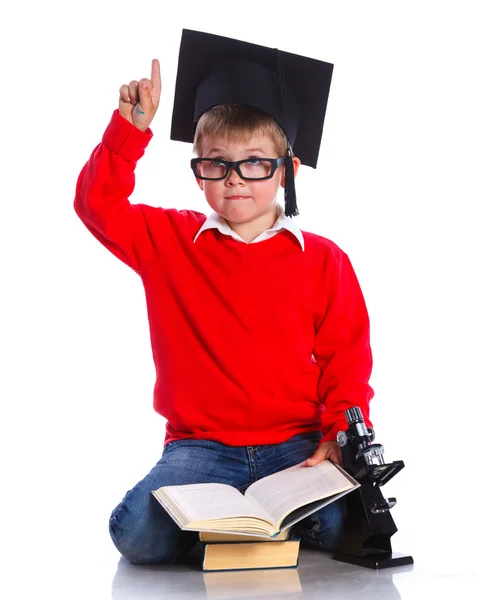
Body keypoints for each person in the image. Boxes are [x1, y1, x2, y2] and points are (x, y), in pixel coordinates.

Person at [74, 29, 374, 566]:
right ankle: (232, 524)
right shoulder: (168, 241)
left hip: (295, 445)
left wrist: (338, 433)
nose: (234, 179)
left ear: (287, 171)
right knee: (138, 535)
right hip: (200, 447)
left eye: (255, 162)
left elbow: (345, 359)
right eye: (216, 162)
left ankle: (231, 526)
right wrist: (128, 132)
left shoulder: (324, 259)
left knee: (343, 522)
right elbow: (98, 206)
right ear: (198, 171)